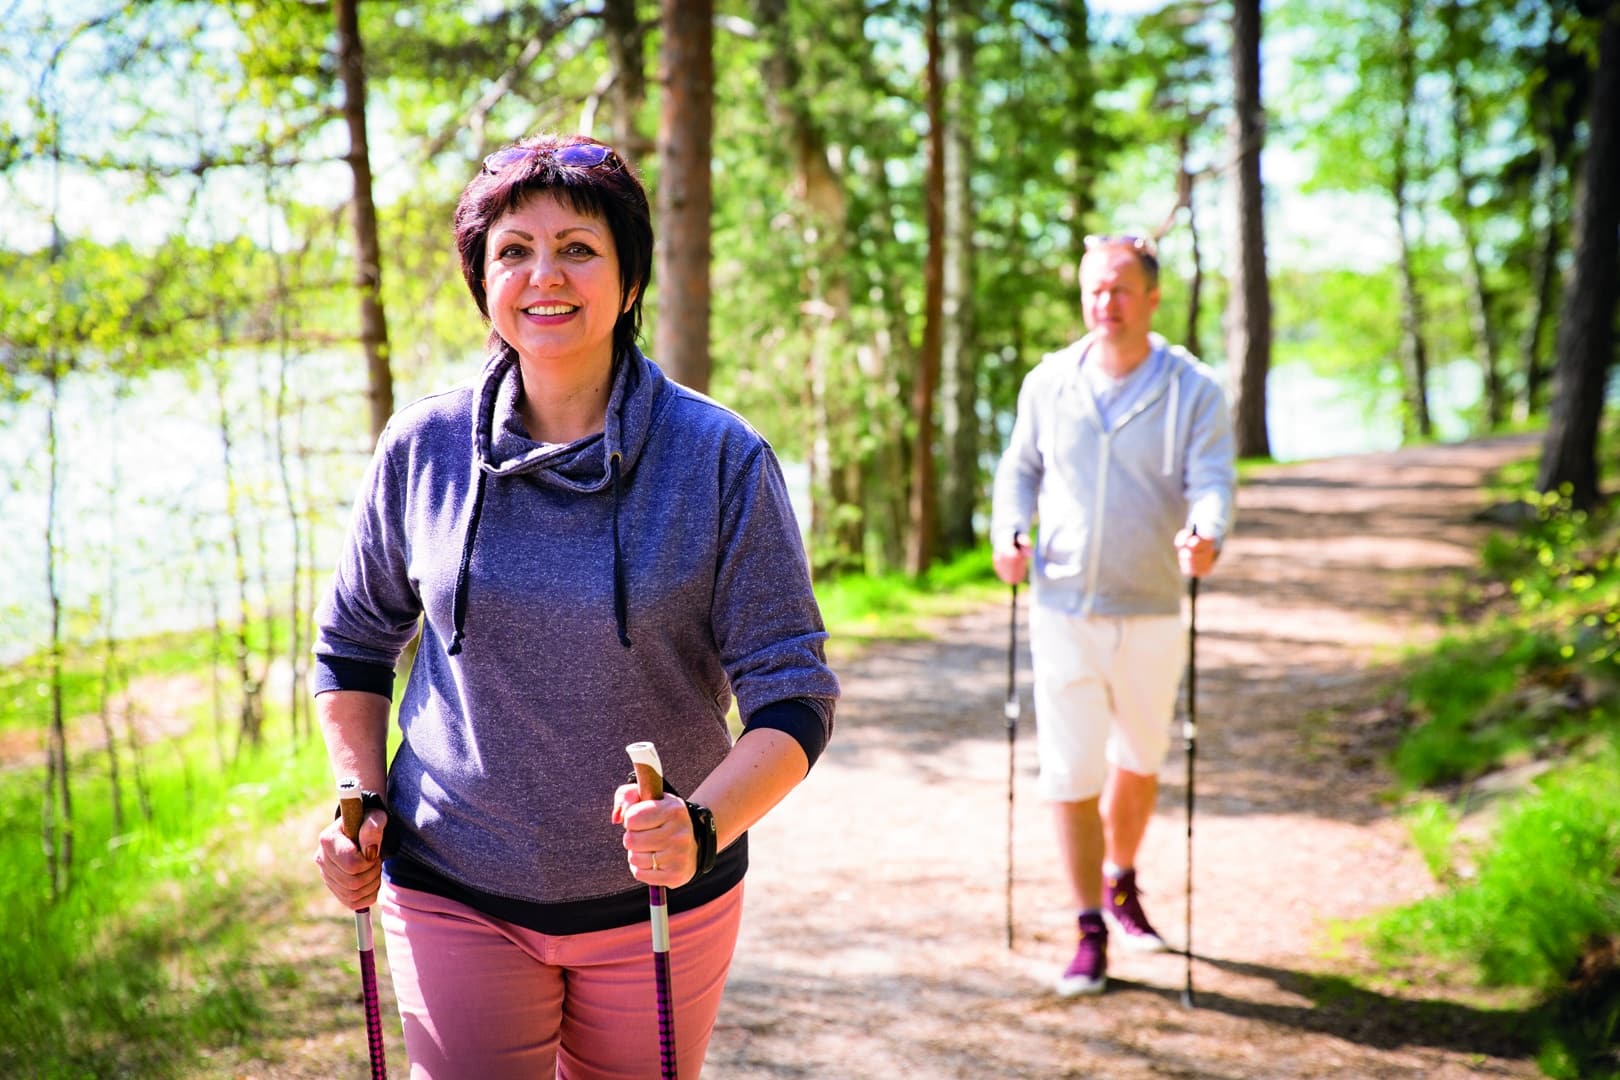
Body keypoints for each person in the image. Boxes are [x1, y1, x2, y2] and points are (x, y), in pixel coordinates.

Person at [312, 133, 839, 1078]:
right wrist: (360, 797)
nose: (543, 275)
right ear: (484, 279)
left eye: (579, 249)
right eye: (513, 249)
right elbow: (353, 648)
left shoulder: (719, 458)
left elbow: (795, 697)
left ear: (629, 283)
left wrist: (703, 826)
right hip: (452, 884)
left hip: (662, 903)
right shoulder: (420, 447)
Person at [989, 233, 1235, 997]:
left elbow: (1213, 481)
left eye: (1121, 289)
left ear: (1152, 297)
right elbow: (1018, 471)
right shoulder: (1049, 382)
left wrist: (1208, 532)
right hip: (1061, 603)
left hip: (1154, 605)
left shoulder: (1193, 388)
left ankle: (1120, 875)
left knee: (1140, 759)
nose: (1106, 302)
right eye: (1095, 289)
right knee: (1069, 770)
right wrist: (1009, 532)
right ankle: (1087, 927)